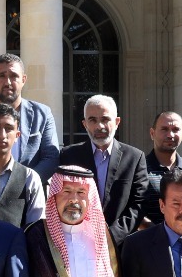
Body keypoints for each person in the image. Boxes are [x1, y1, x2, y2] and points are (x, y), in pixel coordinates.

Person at [57, 95, 147, 245]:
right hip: (77, 242)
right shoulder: (68, 156)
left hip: (120, 245)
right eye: (92, 120)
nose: (99, 126)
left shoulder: (134, 158)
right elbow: (61, 199)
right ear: (85, 124)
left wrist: (111, 236)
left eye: (105, 119)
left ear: (117, 122)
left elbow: (139, 204)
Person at [0, 53, 61, 180]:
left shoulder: (42, 114)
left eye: (14, 76)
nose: (8, 82)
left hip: (28, 189)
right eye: (2, 76)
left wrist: (23, 183)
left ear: (23, 80)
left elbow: (51, 158)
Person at [0, 102, 45, 229]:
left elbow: (35, 229)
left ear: (17, 135)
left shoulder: (30, 178)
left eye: (8, 128)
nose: (2, 135)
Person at [142, 111, 182, 227]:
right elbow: (133, 209)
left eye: (176, 129)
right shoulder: (139, 169)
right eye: (164, 129)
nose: (170, 135)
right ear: (152, 133)